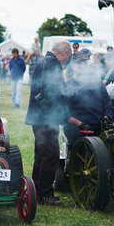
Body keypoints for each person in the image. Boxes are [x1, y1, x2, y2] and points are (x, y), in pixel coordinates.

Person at [25, 41, 73, 206]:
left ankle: (35, 191)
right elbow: (54, 93)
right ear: (65, 53)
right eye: (68, 56)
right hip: (46, 118)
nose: (67, 60)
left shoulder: (43, 61)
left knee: (41, 155)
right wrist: (64, 114)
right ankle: (45, 194)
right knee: (51, 155)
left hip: (39, 117)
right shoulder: (53, 63)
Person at [63, 49, 114, 149]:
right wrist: (79, 124)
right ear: (73, 65)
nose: (82, 66)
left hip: (99, 127)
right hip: (76, 129)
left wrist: (107, 116)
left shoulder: (96, 82)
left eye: (85, 63)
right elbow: (64, 113)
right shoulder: (67, 86)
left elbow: (107, 102)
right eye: (79, 64)